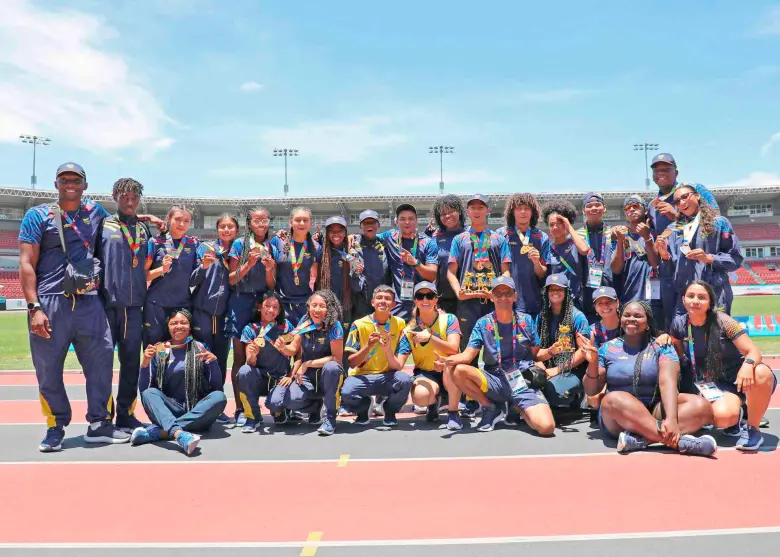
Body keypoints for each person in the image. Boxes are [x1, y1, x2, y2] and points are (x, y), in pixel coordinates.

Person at [20, 162, 130, 451]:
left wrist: (138, 216)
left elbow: (119, 225)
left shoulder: (96, 212)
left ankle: (99, 424)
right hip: (50, 302)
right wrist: (34, 308)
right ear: (56, 184)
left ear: (85, 184)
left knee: (102, 362)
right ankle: (55, 425)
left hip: (89, 302)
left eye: (76, 179)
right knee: (47, 368)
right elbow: (26, 263)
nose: (70, 184)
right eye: (64, 179)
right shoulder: (37, 215)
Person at [580, 301, 716, 457]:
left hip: (655, 410)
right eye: (627, 315)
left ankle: (642, 439)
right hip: (620, 417)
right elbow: (592, 390)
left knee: (702, 406)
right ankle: (679, 443)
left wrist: (671, 419)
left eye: (638, 316)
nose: (631, 319)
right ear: (621, 319)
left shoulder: (662, 347)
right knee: (612, 398)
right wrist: (592, 363)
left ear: (648, 323)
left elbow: (668, 381)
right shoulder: (607, 349)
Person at [669, 281, 777, 451]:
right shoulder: (678, 324)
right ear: (683, 300)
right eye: (690, 296)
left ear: (710, 302)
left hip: (743, 379)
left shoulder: (724, 321)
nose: (695, 301)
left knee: (761, 372)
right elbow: (676, 353)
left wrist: (748, 365)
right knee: (723, 418)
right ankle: (738, 413)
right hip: (714, 385)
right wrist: (663, 339)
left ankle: (752, 429)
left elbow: (753, 351)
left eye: (701, 297)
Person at [445, 277, 555, 435]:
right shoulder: (483, 323)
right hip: (494, 379)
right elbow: (468, 356)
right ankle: (490, 406)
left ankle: (515, 406)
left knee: (546, 428)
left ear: (515, 296)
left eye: (508, 293)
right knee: (458, 370)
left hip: (521, 381)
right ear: (491, 296)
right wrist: (447, 361)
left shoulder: (527, 321)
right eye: (498, 293)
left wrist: (551, 351)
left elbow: (535, 354)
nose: (503, 297)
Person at [96, 177, 161, 432]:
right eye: (125, 197)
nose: (130, 201)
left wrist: (147, 219)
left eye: (135, 197)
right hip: (106, 305)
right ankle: (102, 415)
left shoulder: (144, 231)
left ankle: (125, 413)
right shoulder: (102, 224)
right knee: (102, 363)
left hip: (135, 307)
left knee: (131, 363)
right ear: (115, 197)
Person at [132, 309, 227, 455]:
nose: (179, 326)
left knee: (219, 397)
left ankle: (162, 432)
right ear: (168, 327)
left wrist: (213, 364)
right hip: (169, 409)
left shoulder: (201, 347)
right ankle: (180, 434)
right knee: (149, 393)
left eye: (183, 322)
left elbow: (216, 387)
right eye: (174, 323)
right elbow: (144, 390)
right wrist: (145, 364)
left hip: (197, 411)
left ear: (190, 326)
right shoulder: (160, 349)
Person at [647, 153, 720, 329]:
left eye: (666, 169)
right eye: (657, 170)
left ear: (676, 172)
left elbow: (715, 218)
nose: (661, 173)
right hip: (669, 270)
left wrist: (677, 214)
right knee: (675, 323)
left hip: (697, 265)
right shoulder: (651, 205)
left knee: (705, 319)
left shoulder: (694, 189)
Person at [655, 185, 743, 316]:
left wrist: (709, 258)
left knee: (716, 336)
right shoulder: (672, 230)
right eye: (677, 201)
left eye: (685, 197)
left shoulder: (719, 223)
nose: (682, 202)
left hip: (715, 296)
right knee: (682, 336)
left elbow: (736, 258)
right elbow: (671, 269)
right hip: (685, 300)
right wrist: (664, 256)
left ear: (697, 196)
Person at [268, 290, 346, 436]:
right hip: (307, 375)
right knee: (290, 401)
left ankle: (329, 419)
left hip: (327, 373)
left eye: (322, 306)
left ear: (329, 308)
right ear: (309, 306)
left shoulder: (335, 326)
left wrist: (307, 363)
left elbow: (336, 358)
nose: (317, 310)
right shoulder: (305, 321)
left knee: (332, 368)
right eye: (314, 305)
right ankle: (315, 406)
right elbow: (293, 348)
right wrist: (283, 347)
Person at [447, 195, 511, 368]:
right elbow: (451, 272)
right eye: (473, 207)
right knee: (468, 353)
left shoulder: (498, 239)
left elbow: (506, 271)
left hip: (492, 303)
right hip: (468, 304)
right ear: (467, 211)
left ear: (487, 210)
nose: (476, 211)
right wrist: (459, 292)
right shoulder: (459, 239)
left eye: (480, 207)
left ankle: (495, 391)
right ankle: (469, 394)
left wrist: (499, 292)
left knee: (495, 353)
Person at [226, 207, 277, 423]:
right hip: (241, 301)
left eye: (265, 220)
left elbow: (272, 284)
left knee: (268, 354)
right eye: (257, 220)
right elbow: (231, 279)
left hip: (263, 302)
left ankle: (271, 405)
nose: (262, 224)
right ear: (249, 223)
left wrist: (268, 268)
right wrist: (250, 264)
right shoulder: (240, 244)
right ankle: (240, 408)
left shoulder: (272, 245)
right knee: (240, 357)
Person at [389, 282, 462, 429]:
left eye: (429, 296)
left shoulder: (449, 319)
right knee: (421, 397)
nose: (425, 300)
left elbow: (454, 349)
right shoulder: (409, 330)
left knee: (452, 366)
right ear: (415, 300)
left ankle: (453, 412)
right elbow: (399, 364)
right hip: (427, 373)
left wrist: (430, 338)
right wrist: (386, 349)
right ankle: (434, 403)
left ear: (436, 299)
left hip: (450, 370)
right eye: (420, 296)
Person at [343, 285, 413, 426]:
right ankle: (363, 408)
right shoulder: (359, 324)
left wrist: (387, 350)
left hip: (387, 376)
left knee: (405, 381)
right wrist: (368, 346)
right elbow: (351, 362)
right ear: (372, 302)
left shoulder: (399, 323)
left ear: (393, 304)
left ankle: (389, 409)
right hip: (362, 376)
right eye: (379, 298)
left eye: (387, 299)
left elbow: (399, 365)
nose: (383, 301)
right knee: (346, 391)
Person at [191, 215, 238, 396]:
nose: (226, 229)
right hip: (202, 313)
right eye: (223, 226)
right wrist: (203, 266)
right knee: (201, 357)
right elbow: (192, 279)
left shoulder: (240, 250)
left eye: (230, 226)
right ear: (217, 230)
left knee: (220, 360)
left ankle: (216, 401)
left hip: (224, 315)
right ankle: (198, 400)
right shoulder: (204, 248)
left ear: (237, 230)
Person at [236, 293, 294, 432]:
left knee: (275, 404)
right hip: (260, 378)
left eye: (275, 307)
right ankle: (252, 417)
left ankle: (279, 411)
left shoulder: (286, 327)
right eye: (267, 306)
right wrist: (253, 355)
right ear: (259, 307)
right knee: (244, 371)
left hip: (280, 379)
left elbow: (297, 353)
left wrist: (290, 375)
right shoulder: (250, 329)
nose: (270, 310)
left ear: (279, 310)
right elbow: (250, 362)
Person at [144, 205, 200, 346]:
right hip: (156, 305)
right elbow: (143, 276)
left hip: (182, 305)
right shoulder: (155, 242)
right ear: (168, 219)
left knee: (179, 349)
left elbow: (195, 278)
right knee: (154, 348)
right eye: (178, 219)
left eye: (186, 221)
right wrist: (162, 269)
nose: (182, 224)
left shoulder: (193, 244)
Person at [534, 274, 591, 409]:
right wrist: (540, 366)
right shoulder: (541, 316)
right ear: (546, 292)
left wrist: (557, 370)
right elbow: (534, 350)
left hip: (572, 369)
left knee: (553, 392)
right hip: (547, 365)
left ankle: (578, 395)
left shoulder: (577, 317)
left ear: (566, 292)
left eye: (559, 289)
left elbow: (583, 352)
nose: (555, 292)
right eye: (551, 289)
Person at [376, 204, 438, 321]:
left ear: (416, 221)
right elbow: (370, 236)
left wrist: (415, 263)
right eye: (403, 219)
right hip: (398, 305)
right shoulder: (390, 236)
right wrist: (353, 237)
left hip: (422, 302)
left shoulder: (428, 243)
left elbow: (432, 274)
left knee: (421, 337)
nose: (407, 222)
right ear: (397, 222)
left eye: (410, 218)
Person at [498, 193, 549, 321]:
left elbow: (542, 274)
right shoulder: (501, 234)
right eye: (519, 208)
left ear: (533, 212)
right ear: (512, 212)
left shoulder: (541, 237)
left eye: (527, 208)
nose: (523, 212)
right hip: (506, 299)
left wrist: (536, 263)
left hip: (532, 302)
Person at [271, 206, 321, 325]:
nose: (301, 223)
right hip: (281, 304)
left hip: (304, 304)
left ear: (311, 223)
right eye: (298, 220)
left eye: (305, 220)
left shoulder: (316, 247)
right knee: (282, 342)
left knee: (301, 342)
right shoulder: (278, 242)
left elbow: (316, 277)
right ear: (290, 222)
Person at [611, 196, 661, 313]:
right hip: (628, 297)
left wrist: (647, 238)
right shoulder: (620, 235)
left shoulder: (655, 234)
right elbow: (616, 269)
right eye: (628, 208)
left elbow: (655, 263)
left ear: (645, 210)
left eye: (636, 206)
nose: (632, 209)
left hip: (653, 299)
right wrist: (619, 241)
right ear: (625, 214)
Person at [541, 200, 590, 309]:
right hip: (554, 303)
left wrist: (569, 227)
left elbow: (584, 249)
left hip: (575, 301)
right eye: (551, 224)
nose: (555, 227)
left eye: (559, 223)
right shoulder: (547, 248)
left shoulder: (575, 243)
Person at [577, 192, 616, 323]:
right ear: (583, 211)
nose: (594, 208)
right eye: (589, 206)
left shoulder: (613, 233)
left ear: (604, 208)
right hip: (587, 295)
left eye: (597, 205)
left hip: (611, 292)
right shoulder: (577, 235)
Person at [349, 210, 390, 321]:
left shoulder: (385, 243)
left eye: (372, 222)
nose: (369, 225)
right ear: (360, 226)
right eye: (365, 223)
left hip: (382, 298)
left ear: (378, 225)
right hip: (360, 301)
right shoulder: (352, 244)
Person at [317, 216, 357, 327]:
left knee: (344, 337)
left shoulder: (351, 249)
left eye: (340, 231)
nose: (336, 234)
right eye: (332, 231)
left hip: (346, 304)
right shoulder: (321, 250)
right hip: (326, 304)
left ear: (345, 232)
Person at [430, 195, 466, 315]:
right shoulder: (434, 238)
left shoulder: (470, 234)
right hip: (442, 298)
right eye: (443, 213)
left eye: (451, 211)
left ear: (460, 212)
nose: (447, 216)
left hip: (467, 296)